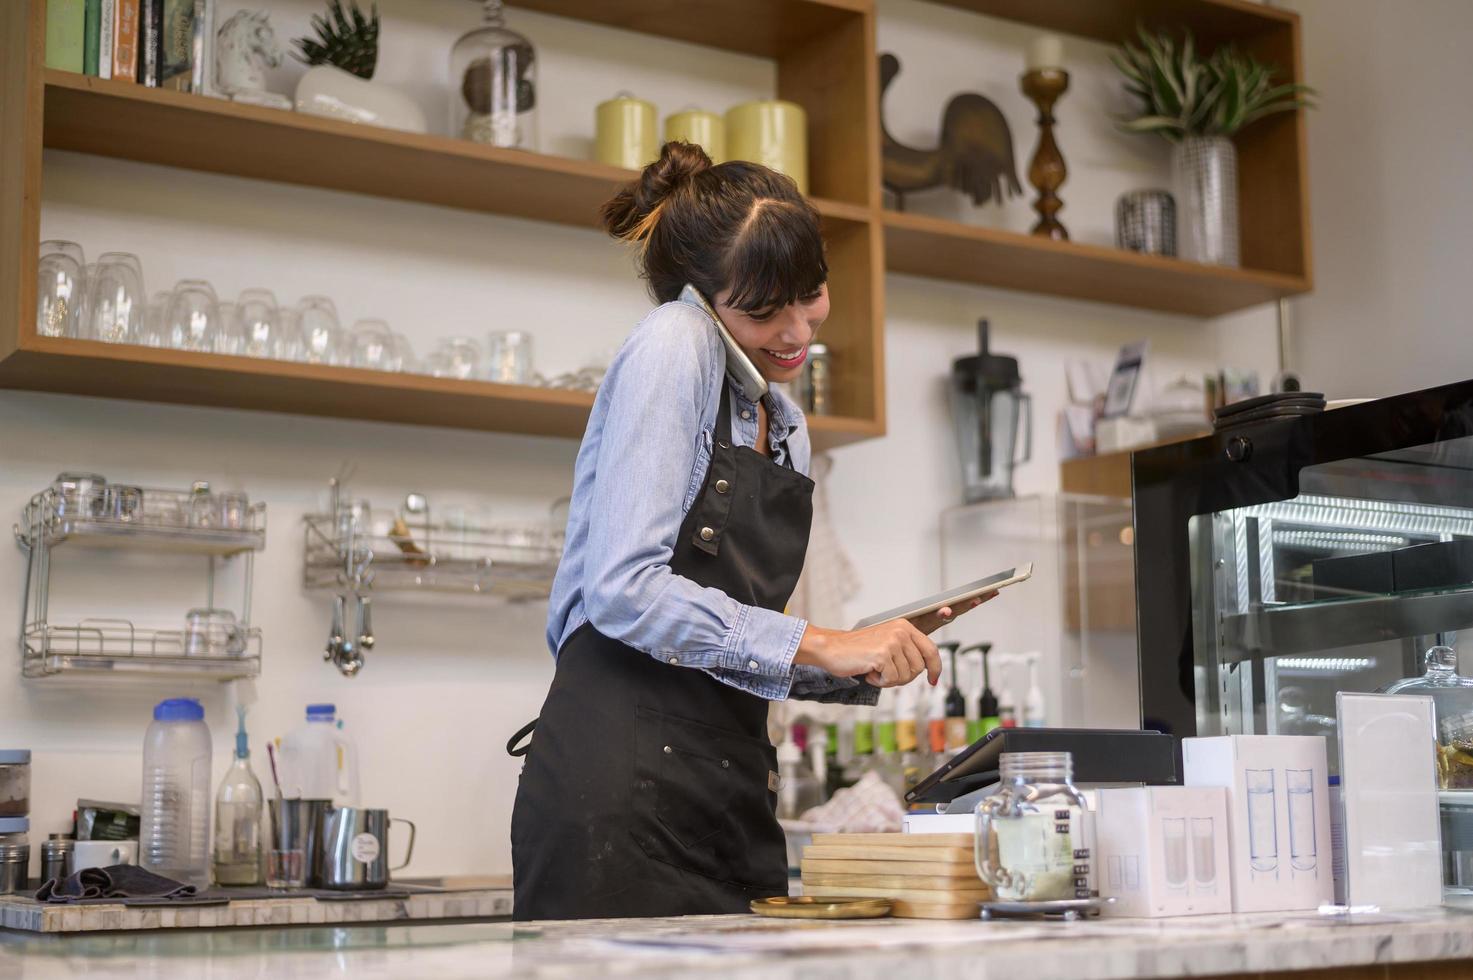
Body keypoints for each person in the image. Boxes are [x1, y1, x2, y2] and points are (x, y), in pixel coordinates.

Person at [509, 142, 989, 920]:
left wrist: (864, 655)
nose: (797, 330)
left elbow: (732, 648)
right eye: (764, 310)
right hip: (619, 794)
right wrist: (822, 641)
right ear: (699, 297)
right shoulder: (677, 341)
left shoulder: (785, 419)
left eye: (811, 294)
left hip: (726, 787)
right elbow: (624, 593)